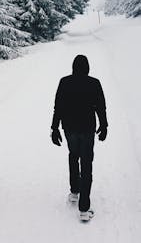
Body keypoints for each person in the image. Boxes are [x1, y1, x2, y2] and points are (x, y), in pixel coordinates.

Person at [51, 54, 108, 222]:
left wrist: (54, 128)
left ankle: (74, 191)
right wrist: (104, 125)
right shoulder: (94, 83)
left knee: (73, 156)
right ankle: (84, 208)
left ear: (73, 67)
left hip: (70, 128)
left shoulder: (64, 82)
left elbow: (58, 107)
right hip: (87, 129)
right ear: (87, 68)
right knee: (86, 163)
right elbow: (101, 107)